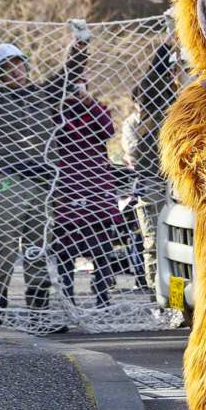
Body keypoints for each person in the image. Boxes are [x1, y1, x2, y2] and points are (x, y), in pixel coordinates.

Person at [0, 20, 90, 317]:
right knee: (2, 246)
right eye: (9, 68)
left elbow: (69, 74)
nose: (16, 71)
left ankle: (39, 311)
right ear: (0, 74)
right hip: (9, 182)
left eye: (19, 65)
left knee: (38, 250)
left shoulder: (42, 93)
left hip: (41, 183)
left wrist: (79, 45)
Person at [51, 74, 120, 308]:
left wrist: (89, 102)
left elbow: (107, 129)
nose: (75, 91)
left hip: (96, 185)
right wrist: (63, 101)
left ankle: (102, 294)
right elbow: (58, 132)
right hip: (67, 185)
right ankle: (67, 295)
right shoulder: (57, 111)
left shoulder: (96, 108)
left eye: (80, 86)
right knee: (65, 248)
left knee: (101, 245)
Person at [120, 42, 178, 292]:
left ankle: (177, 301)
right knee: (155, 242)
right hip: (151, 183)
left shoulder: (185, 101)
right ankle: (158, 298)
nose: (177, 74)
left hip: (178, 183)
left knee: (179, 245)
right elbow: (154, 77)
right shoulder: (149, 110)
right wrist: (167, 42)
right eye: (173, 70)